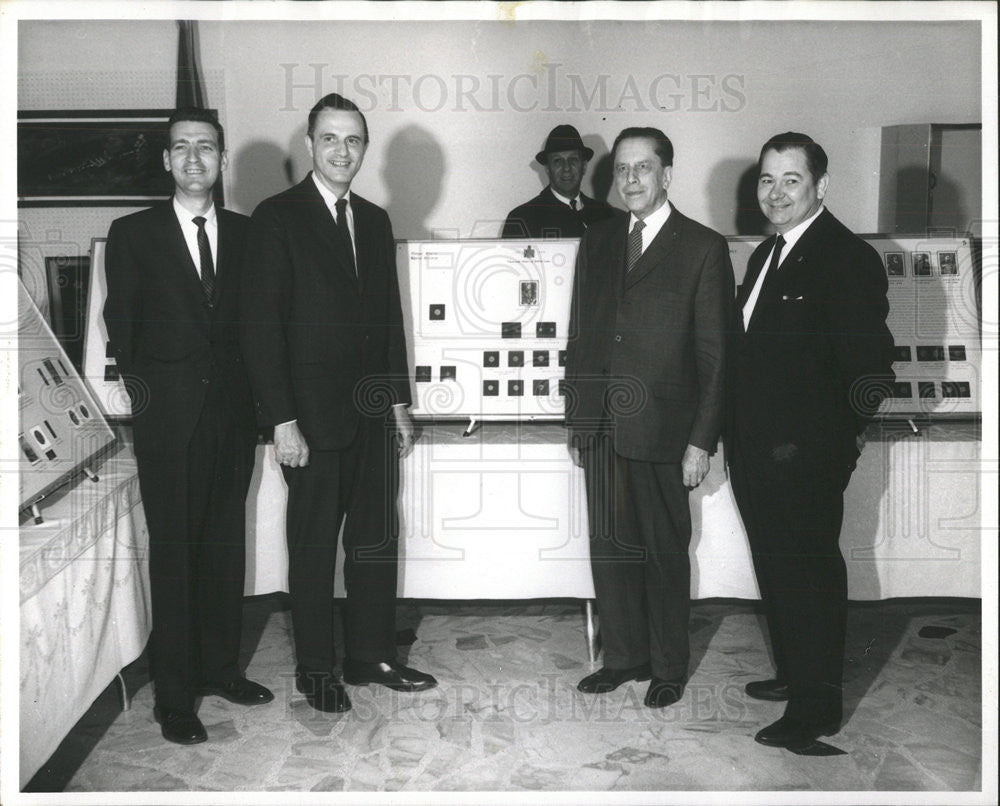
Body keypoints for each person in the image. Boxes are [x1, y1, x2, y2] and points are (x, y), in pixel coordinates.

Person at [240, 93, 436, 714]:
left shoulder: (374, 221)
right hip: (311, 423)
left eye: (353, 140)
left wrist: (399, 404)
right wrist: (282, 421)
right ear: (310, 145)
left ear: (363, 149)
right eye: (331, 139)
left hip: (374, 416)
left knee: (376, 539)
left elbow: (387, 320)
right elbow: (261, 327)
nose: (342, 151)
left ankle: (370, 654)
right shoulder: (276, 218)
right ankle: (317, 667)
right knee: (315, 546)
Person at [103, 108, 271, 746]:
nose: (194, 159)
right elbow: (124, 329)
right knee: (174, 555)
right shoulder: (132, 233)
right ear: (166, 162)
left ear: (222, 161)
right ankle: (175, 698)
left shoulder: (248, 233)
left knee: (226, 547)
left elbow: (258, 326)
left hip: (232, 418)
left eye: (206, 148)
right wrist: (156, 405)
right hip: (169, 424)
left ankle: (221, 670)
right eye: (182, 149)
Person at [727, 132, 894, 751]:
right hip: (755, 453)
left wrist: (832, 451)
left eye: (790, 180)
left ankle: (816, 709)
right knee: (777, 569)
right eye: (766, 180)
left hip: (804, 462)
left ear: (820, 186)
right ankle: (797, 676)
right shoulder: (766, 256)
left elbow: (873, 373)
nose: (775, 193)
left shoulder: (845, 257)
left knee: (810, 577)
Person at [564, 127, 732, 708]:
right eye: (622, 170)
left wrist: (700, 441)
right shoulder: (600, 239)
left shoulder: (703, 248)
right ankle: (625, 658)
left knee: (663, 553)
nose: (630, 180)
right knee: (610, 548)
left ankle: (667, 666)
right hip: (601, 428)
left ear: (666, 174)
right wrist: (577, 414)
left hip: (665, 432)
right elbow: (582, 332)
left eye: (643, 169)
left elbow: (716, 355)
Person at [501, 124, 617, 239]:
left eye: (573, 159)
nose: (566, 168)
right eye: (557, 161)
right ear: (547, 168)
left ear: (584, 166)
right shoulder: (522, 219)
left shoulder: (605, 214)